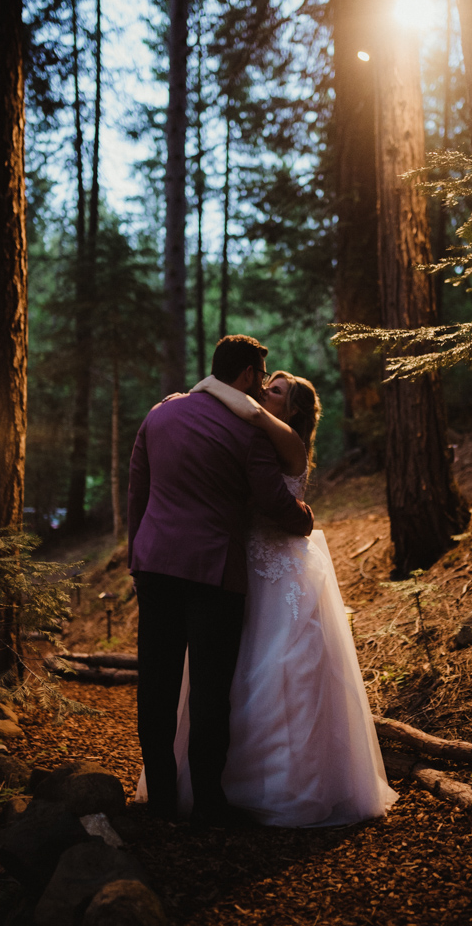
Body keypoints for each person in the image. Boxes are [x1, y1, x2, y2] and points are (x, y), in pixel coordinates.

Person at [162, 370, 398, 827]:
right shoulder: (250, 433)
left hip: (280, 565)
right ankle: (220, 783)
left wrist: (206, 385)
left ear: (291, 410)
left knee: (283, 666)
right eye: (266, 385)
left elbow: (251, 420)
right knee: (229, 670)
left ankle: (288, 786)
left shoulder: (286, 437)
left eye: (275, 390)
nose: (262, 392)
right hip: (241, 562)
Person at [127, 336, 314, 827]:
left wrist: (136, 557)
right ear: (250, 375)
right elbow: (273, 502)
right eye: (262, 376)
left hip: (155, 565)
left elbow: (138, 493)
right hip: (213, 572)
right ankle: (208, 802)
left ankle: (162, 801)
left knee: (157, 686)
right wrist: (305, 519)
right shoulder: (248, 432)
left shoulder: (159, 415)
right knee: (210, 691)